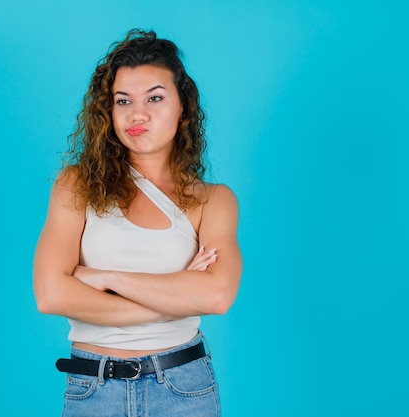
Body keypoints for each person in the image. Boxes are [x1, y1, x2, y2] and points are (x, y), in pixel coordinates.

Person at [33, 29, 242, 417]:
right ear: (108, 111)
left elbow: (216, 296)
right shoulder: (76, 184)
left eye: (155, 98)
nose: (137, 113)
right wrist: (175, 297)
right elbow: (51, 294)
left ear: (184, 107)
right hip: (93, 389)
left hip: (183, 388)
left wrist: (105, 278)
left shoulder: (213, 200)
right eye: (123, 101)